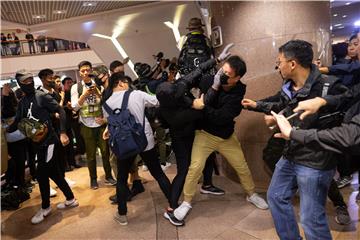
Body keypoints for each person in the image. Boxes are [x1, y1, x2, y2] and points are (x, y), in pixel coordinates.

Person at [241, 39, 348, 240]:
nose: (277, 66)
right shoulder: (288, 86)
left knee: (311, 218)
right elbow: (283, 105)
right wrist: (261, 108)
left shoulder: (327, 86)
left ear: (292, 64)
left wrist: (323, 101)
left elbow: (348, 100)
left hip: (316, 160)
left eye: (279, 61)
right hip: (290, 154)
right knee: (275, 197)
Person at [173, 55, 268, 224]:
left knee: (242, 166)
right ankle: (187, 202)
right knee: (195, 168)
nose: (221, 76)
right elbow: (186, 82)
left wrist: (204, 106)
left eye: (227, 74)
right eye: (221, 71)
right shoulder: (210, 79)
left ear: (237, 78)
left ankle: (251, 194)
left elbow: (222, 117)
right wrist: (192, 101)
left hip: (226, 136)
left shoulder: (238, 93)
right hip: (204, 134)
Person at [7, 70, 78, 224]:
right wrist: (3, 131)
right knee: (54, 173)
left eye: (30, 80)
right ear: (19, 84)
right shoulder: (22, 103)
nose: (29, 83)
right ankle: (71, 199)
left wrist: (63, 132)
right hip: (37, 144)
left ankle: (45, 207)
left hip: (50, 142)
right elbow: (17, 122)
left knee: (41, 174)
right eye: (25, 81)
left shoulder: (41, 96)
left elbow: (60, 110)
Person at [102, 72, 172, 225]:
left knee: (121, 178)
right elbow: (157, 102)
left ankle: (122, 214)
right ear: (121, 83)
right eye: (126, 82)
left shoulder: (106, 103)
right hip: (144, 140)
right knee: (158, 173)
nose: (128, 85)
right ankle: (174, 205)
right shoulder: (136, 94)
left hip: (123, 144)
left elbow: (110, 123)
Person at [71, 61, 116, 189]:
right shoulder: (76, 87)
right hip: (86, 124)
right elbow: (74, 107)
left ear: (91, 71)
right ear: (79, 72)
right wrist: (84, 95)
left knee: (105, 152)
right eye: (83, 70)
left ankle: (108, 176)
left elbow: (106, 103)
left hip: (100, 123)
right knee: (90, 155)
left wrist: (97, 93)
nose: (86, 72)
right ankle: (93, 179)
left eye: (88, 70)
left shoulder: (99, 84)